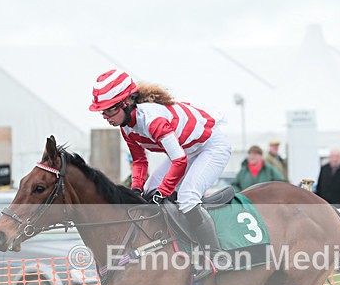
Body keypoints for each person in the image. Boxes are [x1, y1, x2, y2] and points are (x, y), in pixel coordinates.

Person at [89, 69, 233, 273]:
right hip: (188, 151)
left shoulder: (152, 119)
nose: (105, 116)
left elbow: (179, 161)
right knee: (147, 193)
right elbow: (139, 161)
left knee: (187, 197)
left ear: (127, 103)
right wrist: (136, 189)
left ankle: (217, 258)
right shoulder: (126, 126)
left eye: (109, 110)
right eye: (102, 112)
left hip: (211, 147)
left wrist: (164, 192)